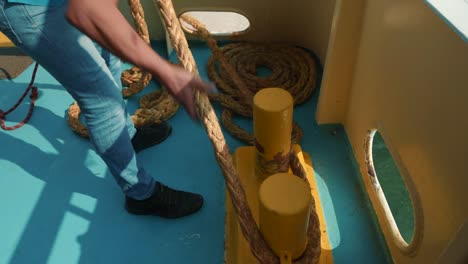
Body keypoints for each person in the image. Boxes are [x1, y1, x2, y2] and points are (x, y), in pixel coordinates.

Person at [0, 0, 214, 218]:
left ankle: (128, 136)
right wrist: (164, 70)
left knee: (109, 58)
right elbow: (87, 10)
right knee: (101, 98)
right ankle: (141, 194)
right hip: (28, 7)